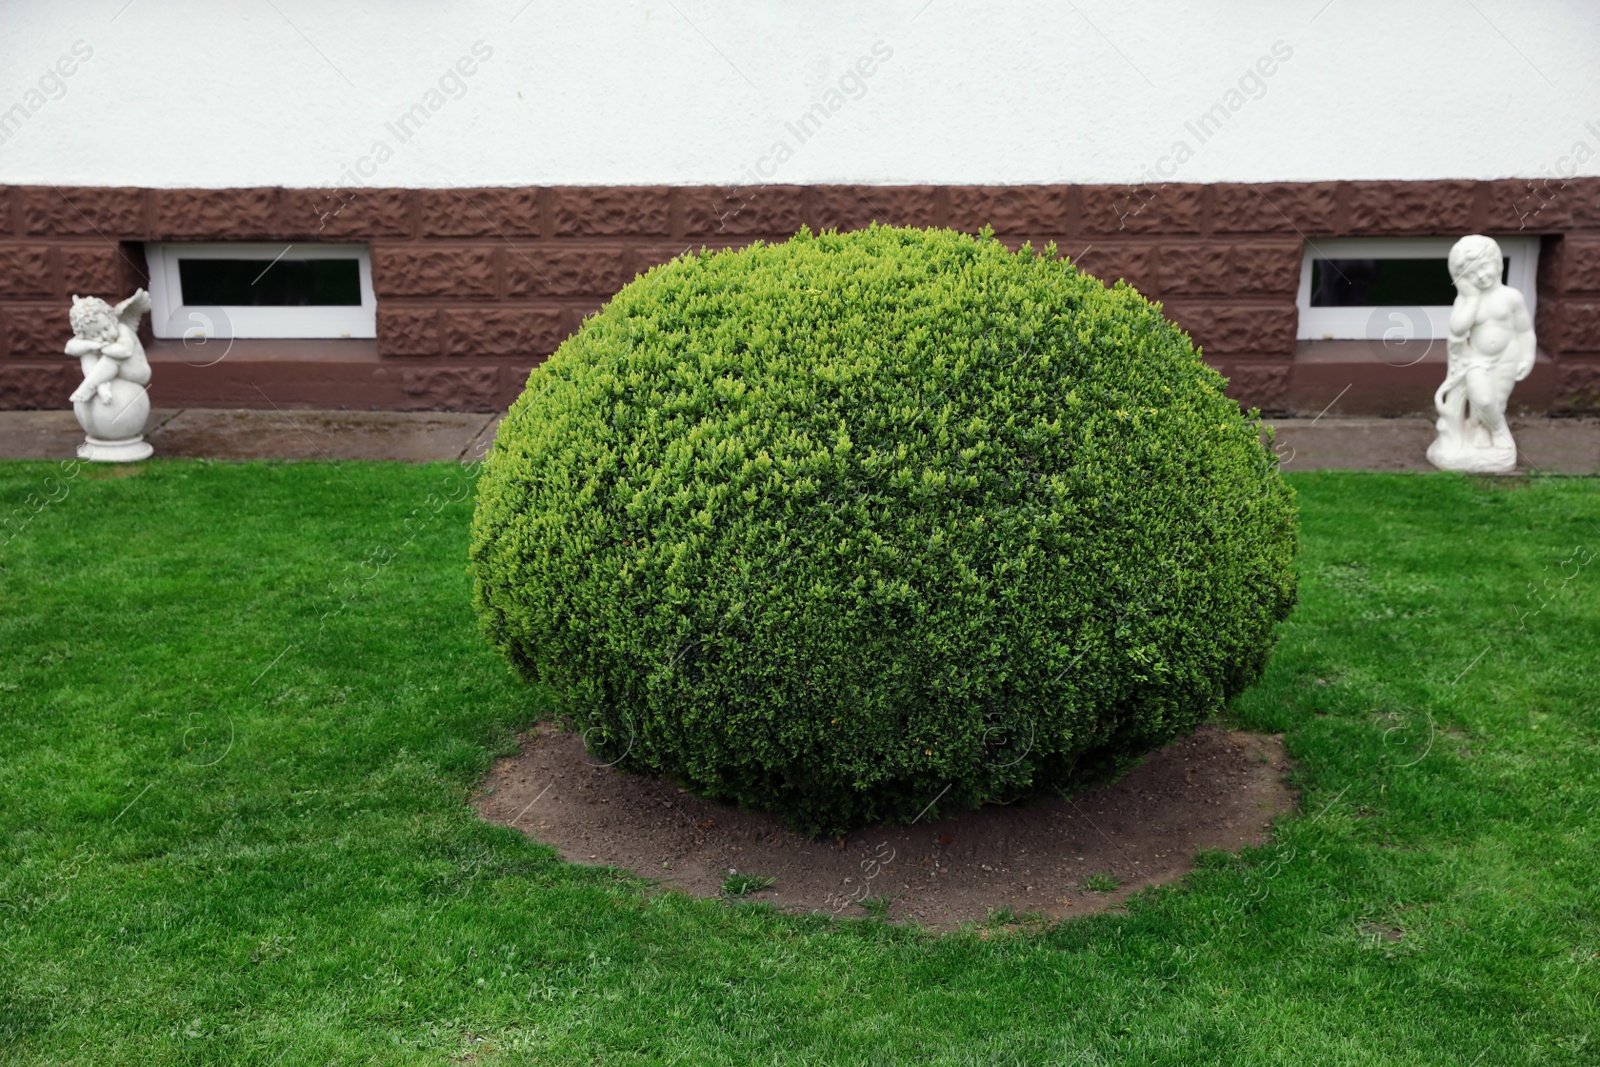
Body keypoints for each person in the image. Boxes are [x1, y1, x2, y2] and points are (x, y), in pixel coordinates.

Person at [1427, 236, 1536, 472]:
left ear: (1497, 262)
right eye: (1472, 273)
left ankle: (1482, 432)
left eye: (1484, 267)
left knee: (1496, 402)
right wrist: (1472, 298)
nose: (1482, 276)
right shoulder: (1466, 301)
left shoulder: (1511, 297)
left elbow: (1525, 330)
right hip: (1477, 360)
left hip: (1507, 357)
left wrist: (1527, 356)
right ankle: (1500, 432)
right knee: (1482, 398)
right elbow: (1457, 328)